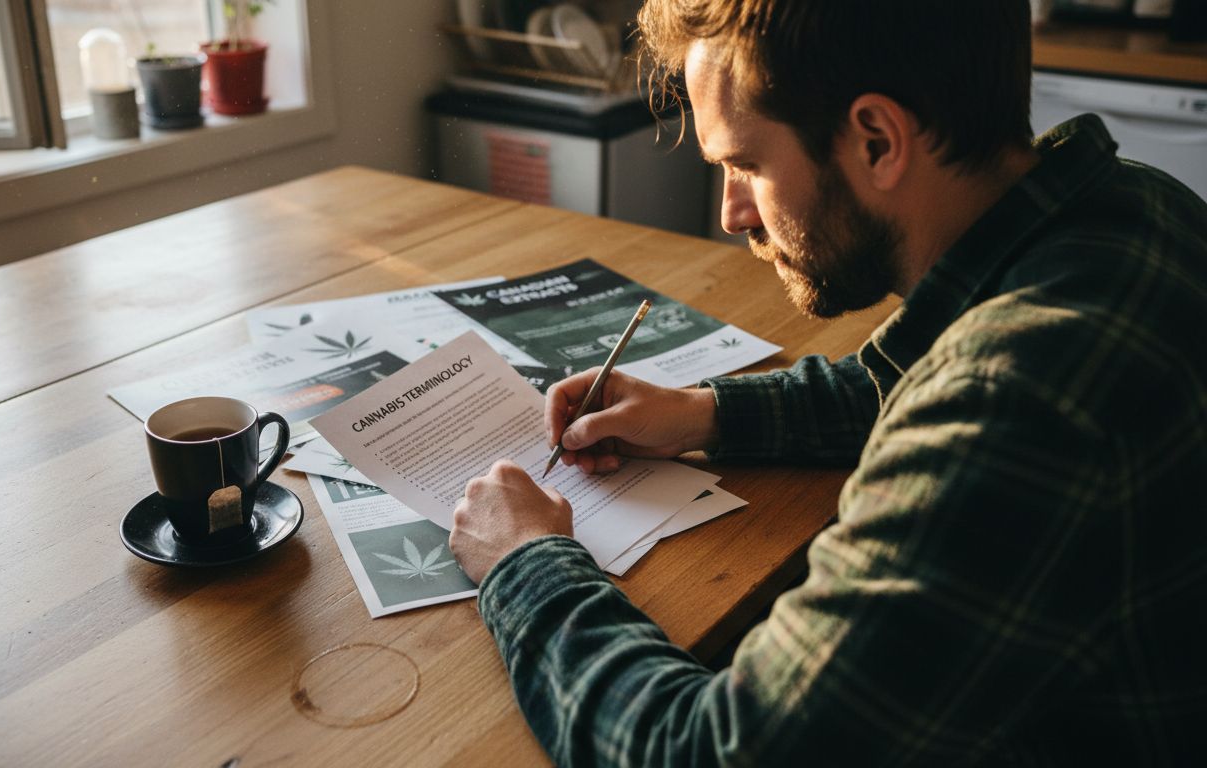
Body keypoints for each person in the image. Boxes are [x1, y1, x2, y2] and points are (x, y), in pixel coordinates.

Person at [448, 0, 1207, 764]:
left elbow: (702, 752)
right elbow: (913, 382)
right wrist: (703, 415)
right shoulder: (1131, 205)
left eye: (745, 165)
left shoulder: (1016, 407)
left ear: (877, 140)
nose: (731, 214)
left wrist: (526, 564)